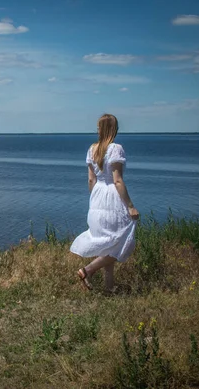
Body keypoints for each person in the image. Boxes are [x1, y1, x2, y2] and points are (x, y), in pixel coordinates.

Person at [70, 113, 139, 293]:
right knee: (121, 240)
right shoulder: (115, 148)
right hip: (112, 197)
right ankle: (88, 270)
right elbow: (117, 181)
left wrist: (95, 200)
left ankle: (109, 288)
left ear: (99, 129)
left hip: (97, 197)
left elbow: (91, 180)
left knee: (108, 242)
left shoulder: (92, 149)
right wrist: (130, 206)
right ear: (114, 129)